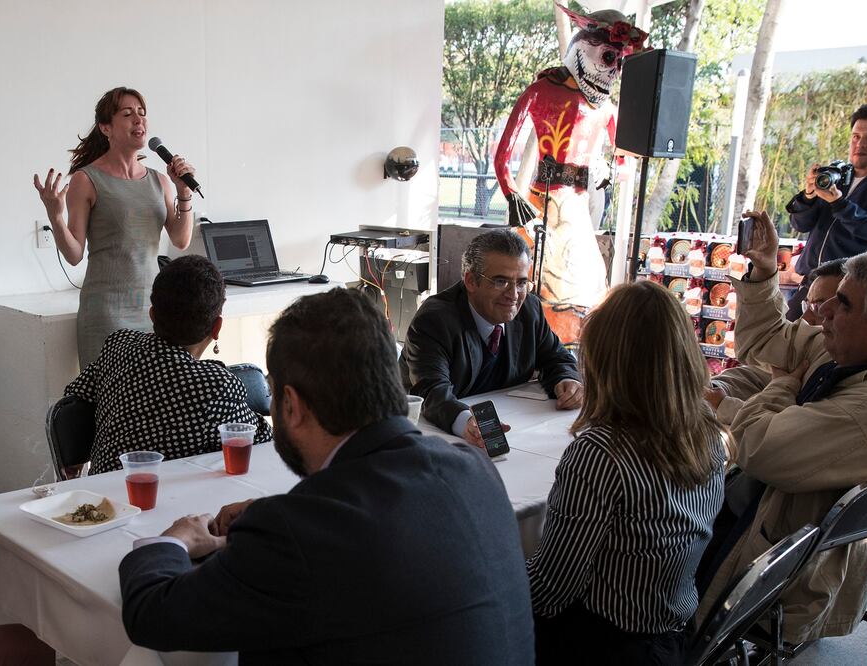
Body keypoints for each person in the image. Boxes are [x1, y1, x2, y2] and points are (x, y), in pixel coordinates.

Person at [119, 289, 536, 664]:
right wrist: (266, 524)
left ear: (290, 404)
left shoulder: (299, 532)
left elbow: (151, 616)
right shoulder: (474, 468)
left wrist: (171, 541)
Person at [697, 210, 867, 644]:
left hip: (784, 576)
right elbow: (766, 343)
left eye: (842, 304)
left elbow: (761, 448)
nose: (822, 315)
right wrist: (765, 272)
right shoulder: (848, 349)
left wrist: (782, 388)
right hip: (768, 526)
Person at [527, 280, 726, 664]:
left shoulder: (602, 452)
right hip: (671, 635)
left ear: (606, 361)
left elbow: (548, 592)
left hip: (603, 645)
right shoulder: (706, 430)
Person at [493, 6, 647, 341]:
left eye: (619, 62)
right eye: (609, 58)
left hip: (577, 207)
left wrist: (607, 168)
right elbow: (501, 156)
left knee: (584, 288)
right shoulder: (541, 91)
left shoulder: (606, 108)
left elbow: (623, 162)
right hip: (541, 205)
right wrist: (513, 196)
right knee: (533, 285)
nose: (614, 72)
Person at [34, 87, 198, 367]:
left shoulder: (160, 181)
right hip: (106, 314)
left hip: (152, 311)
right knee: (110, 404)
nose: (139, 120)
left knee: (150, 403)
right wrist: (55, 215)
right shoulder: (86, 179)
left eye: (142, 113)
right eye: (127, 113)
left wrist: (184, 191)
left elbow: (181, 241)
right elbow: (74, 255)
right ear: (105, 127)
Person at [64, 256, 271, 474]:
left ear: (152, 314)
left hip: (101, 498)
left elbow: (74, 397)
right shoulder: (215, 386)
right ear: (217, 327)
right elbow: (262, 441)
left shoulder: (119, 345)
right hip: (166, 503)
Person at [400, 229, 582, 448]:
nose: (514, 295)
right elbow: (431, 391)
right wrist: (465, 421)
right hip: (430, 433)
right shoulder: (435, 320)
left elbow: (557, 358)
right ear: (470, 281)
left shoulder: (530, 309)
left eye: (522, 283)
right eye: (500, 281)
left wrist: (567, 381)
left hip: (514, 427)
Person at [706, 257, 847, 424]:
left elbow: (782, 435)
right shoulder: (813, 354)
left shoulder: (853, 385)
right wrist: (713, 388)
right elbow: (755, 376)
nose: (805, 318)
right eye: (806, 306)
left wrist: (724, 405)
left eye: (819, 308)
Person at [784, 102, 867, 320]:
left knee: (827, 353)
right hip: (809, 285)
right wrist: (809, 196)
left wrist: (839, 204)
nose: (861, 144)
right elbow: (800, 225)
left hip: (849, 293)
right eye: (856, 136)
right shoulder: (838, 175)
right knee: (785, 346)